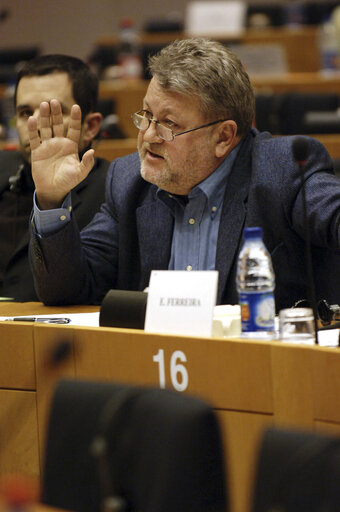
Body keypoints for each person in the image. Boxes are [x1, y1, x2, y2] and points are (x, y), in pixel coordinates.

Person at [29, 38, 340, 311]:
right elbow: (68, 290)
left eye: (169, 125)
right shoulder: (129, 182)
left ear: (223, 137)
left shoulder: (283, 171)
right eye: (146, 115)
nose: (148, 135)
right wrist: (51, 199)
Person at [0, 54, 110, 301]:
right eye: (25, 112)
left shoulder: (112, 190)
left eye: (52, 112)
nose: (36, 124)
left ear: (91, 126)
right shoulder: (3, 168)